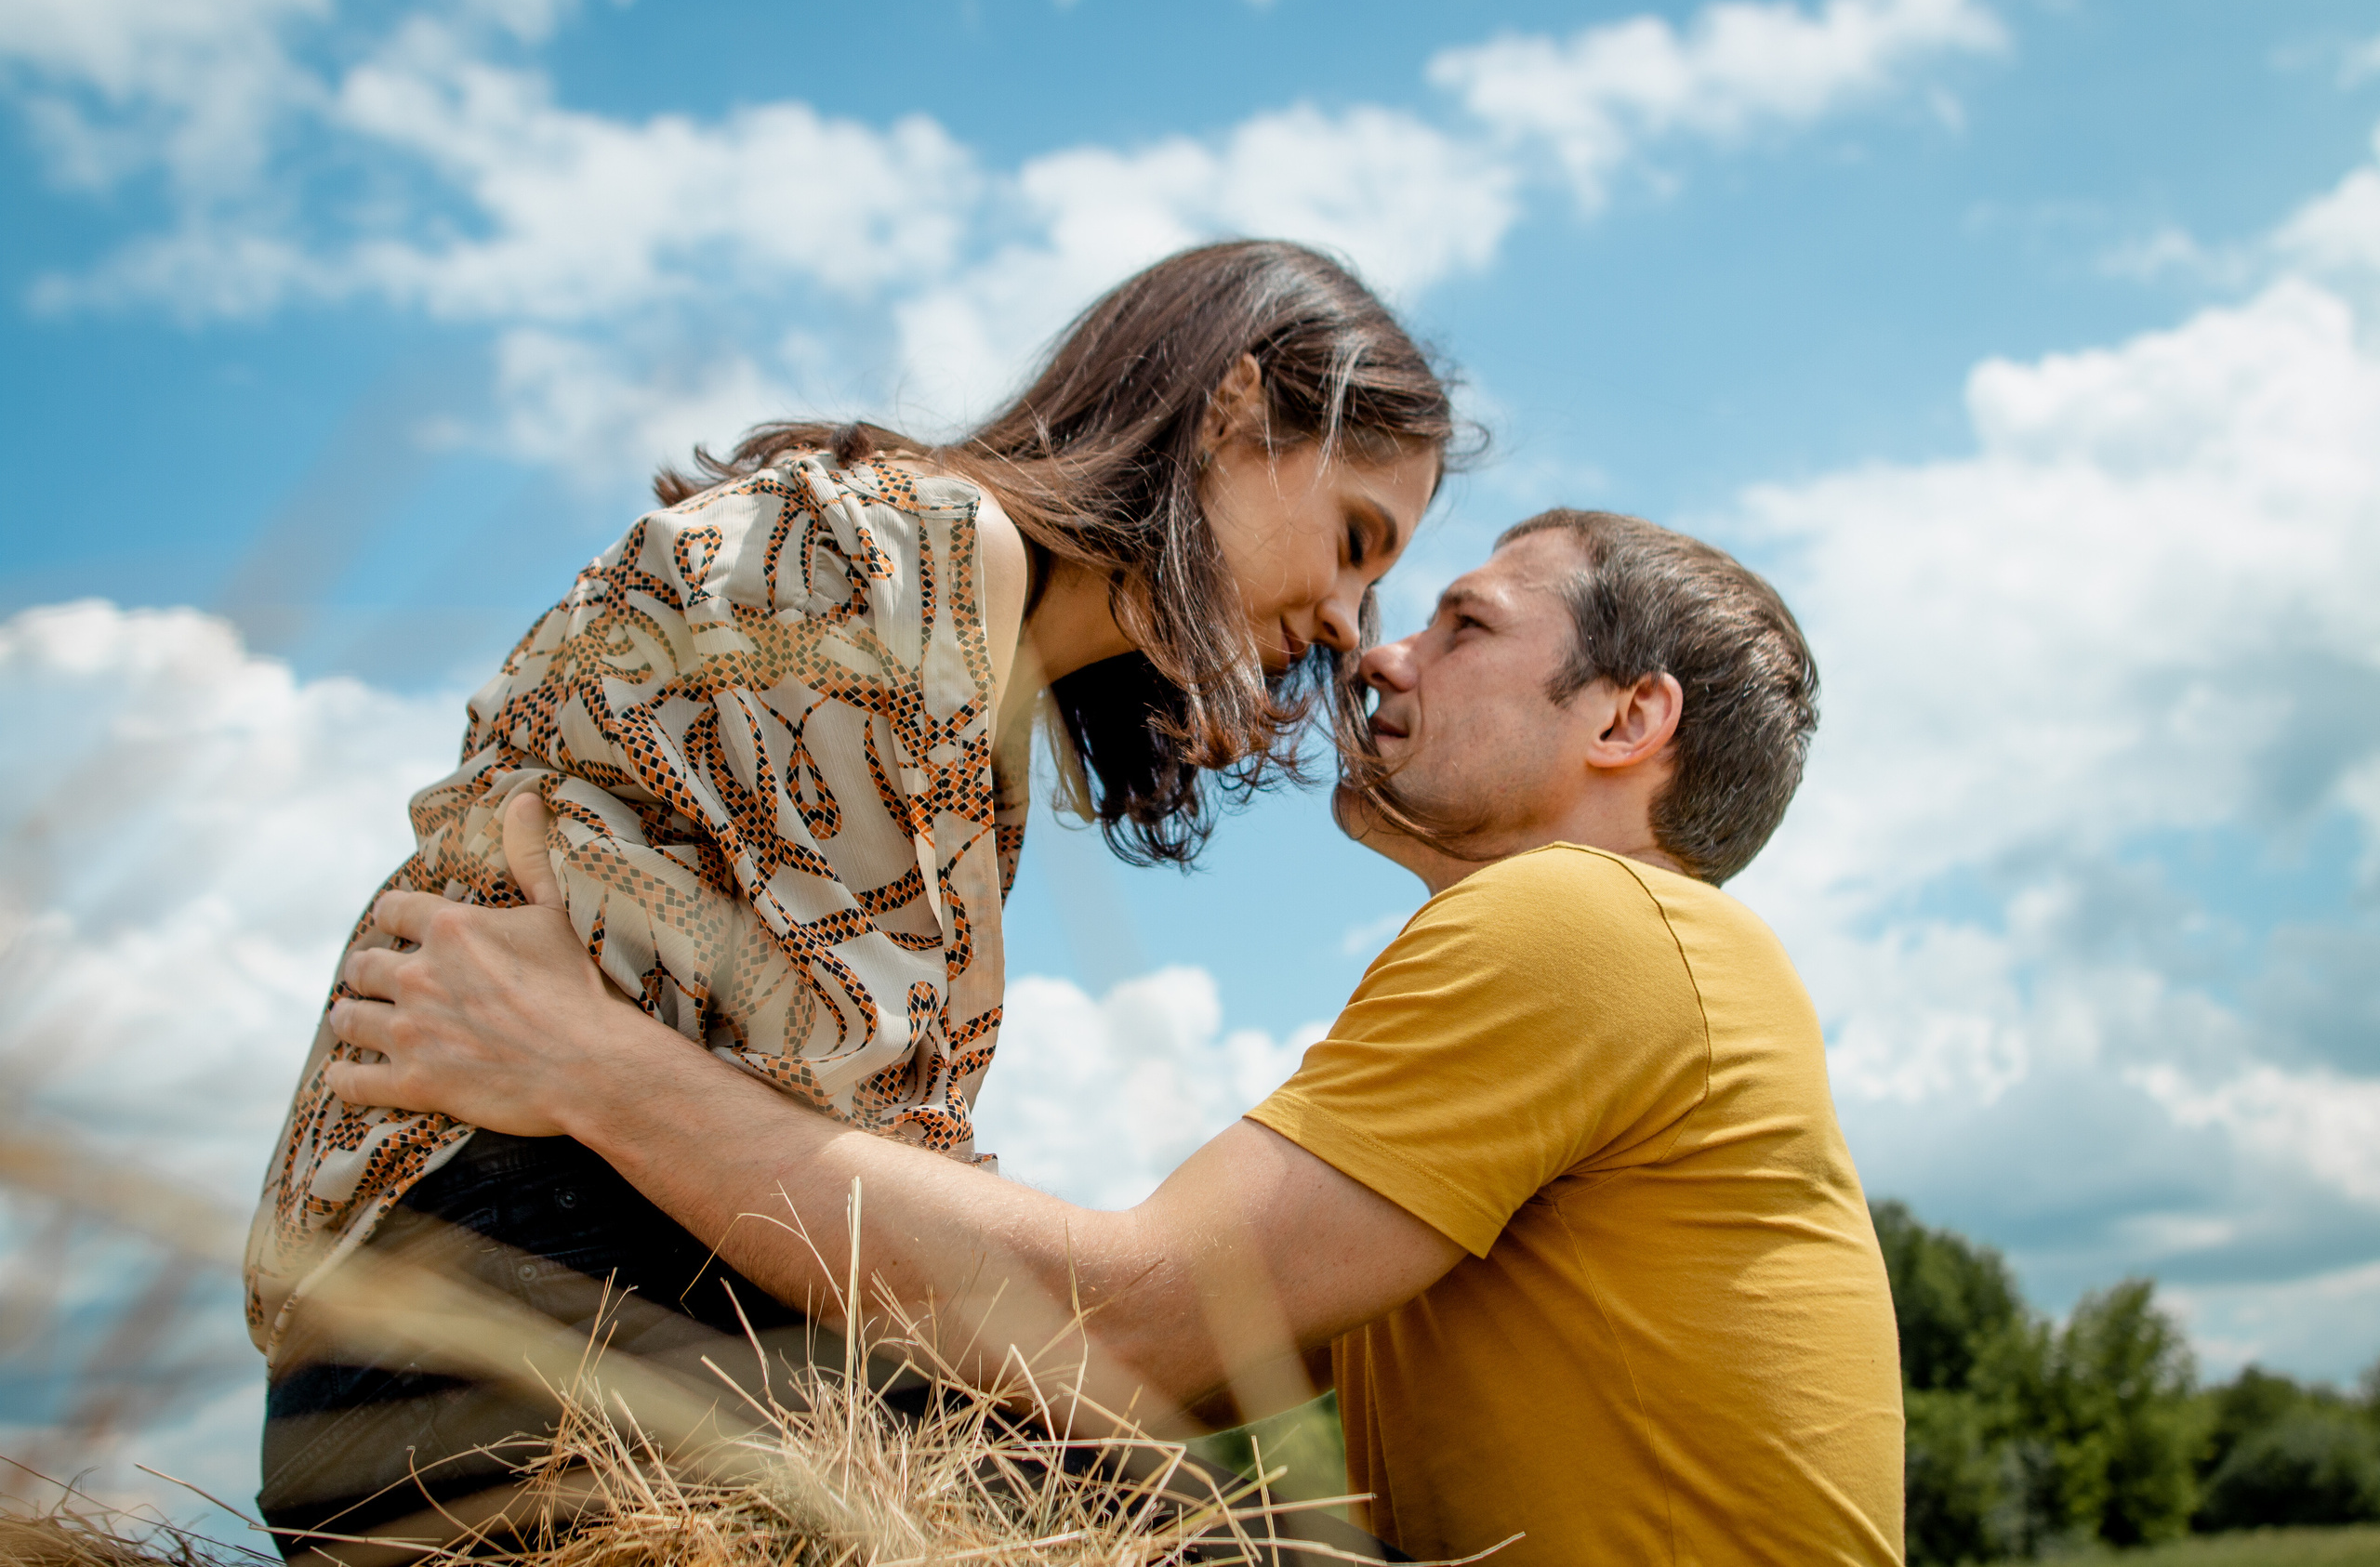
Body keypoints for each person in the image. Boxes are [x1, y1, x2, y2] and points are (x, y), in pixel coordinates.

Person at [329, 508, 1907, 1564]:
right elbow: (1131, 1402)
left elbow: (1133, 1325)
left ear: (1624, 724)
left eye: (1461, 626)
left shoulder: (1588, 924)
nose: (1377, 653)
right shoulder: (1604, 970)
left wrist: (583, 1066)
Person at [245, 239, 1454, 1555]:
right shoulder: (912, 553)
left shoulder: (968, 630)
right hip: (505, 1331)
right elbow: (853, 1156)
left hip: (507, 1336)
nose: (1349, 619)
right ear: (1229, 405)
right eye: (1352, 539)